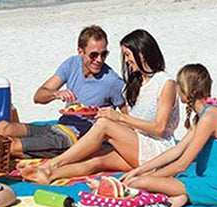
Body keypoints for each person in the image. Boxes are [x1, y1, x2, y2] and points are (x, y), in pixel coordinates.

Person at [20, 30, 179, 183]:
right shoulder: (137, 83)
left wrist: (118, 118)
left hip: (158, 150)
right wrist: (110, 117)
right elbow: (134, 123)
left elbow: (159, 128)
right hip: (138, 145)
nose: (127, 61)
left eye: (127, 55)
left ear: (141, 54)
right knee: (95, 161)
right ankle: (48, 174)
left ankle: (52, 164)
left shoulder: (166, 83)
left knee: (103, 125)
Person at [120, 63, 217, 207]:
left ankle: (123, 191)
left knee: (142, 182)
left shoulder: (210, 117)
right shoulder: (205, 115)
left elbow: (182, 164)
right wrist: (139, 170)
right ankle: (177, 199)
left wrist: (146, 179)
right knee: (145, 178)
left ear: (186, 90)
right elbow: (177, 150)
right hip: (212, 184)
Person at [0, 25, 125, 158]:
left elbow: (127, 117)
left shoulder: (112, 81)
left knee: (9, 146)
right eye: (94, 55)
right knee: (3, 127)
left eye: (104, 54)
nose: (99, 60)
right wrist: (56, 94)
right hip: (59, 126)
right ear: (80, 52)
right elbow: (38, 96)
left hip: (75, 139)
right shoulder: (72, 64)